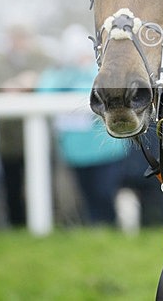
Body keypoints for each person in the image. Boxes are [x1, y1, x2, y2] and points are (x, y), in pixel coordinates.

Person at [37, 24, 128, 226]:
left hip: (106, 149)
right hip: (76, 152)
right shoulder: (58, 75)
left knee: (104, 195)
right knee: (88, 199)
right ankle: (97, 233)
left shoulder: (100, 70)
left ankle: (110, 230)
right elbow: (44, 93)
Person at [0, 24, 53, 226]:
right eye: (15, 37)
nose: (19, 42)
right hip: (9, 139)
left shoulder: (44, 60)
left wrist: (37, 81)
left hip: (43, 139)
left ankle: (49, 223)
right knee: (12, 186)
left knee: (44, 185)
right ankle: (17, 225)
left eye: (23, 37)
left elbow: (58, 78)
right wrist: (5, 87)